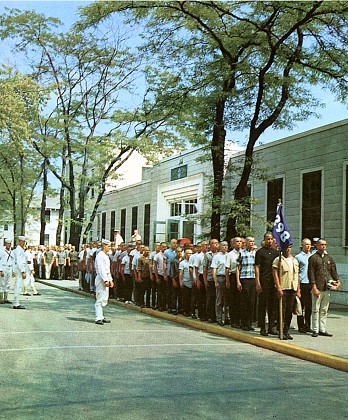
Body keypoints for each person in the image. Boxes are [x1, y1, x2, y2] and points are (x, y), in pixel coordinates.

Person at [308, 239, 340, 337]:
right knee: (315, 309)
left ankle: (322, 329)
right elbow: (311, 273)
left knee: (324, 309)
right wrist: (314, 287)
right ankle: (315, 329)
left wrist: (337, 281)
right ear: (317, 246)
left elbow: (333, 271)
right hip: (317, 287)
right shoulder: (313, 258)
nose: (323, 247)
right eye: (321, 245)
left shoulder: (328, 258)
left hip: (327, 287)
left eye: (325, 245)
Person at [273, 244, 301, 340]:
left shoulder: (294, 260)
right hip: (283, 287)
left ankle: (286, 331)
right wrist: (278, 288)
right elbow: (275, 274)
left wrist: (298, 289)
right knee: (282, 311)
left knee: (289, 311)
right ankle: (280, 330)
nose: (288, 249)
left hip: (292, 288)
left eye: (289, 247)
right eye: (286, 247)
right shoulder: (278, 260)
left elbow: (297, 276)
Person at [255, 233, 279, 336]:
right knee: (262, 305)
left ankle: (271, 327)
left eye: (271, 239)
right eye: (267, 239)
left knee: (272, 306)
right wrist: (257, 283)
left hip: (273, 282)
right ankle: (262, 327)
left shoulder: (276, 253)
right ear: (264, 240)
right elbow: (257, 267)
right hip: (263, 281)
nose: (269, 241)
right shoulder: (260, 252)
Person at [236, 236, 256, 331]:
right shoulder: (241, 253)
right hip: (244, 278)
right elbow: (237, 267)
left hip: (253, 278)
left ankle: (249, 323)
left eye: (253, 241)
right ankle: (243, 323)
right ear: (246, 243)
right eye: (250, 241)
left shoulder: (255, 253)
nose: (251, 243)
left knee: (251, 302)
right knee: (244, 301)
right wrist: (238, 281)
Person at [94, 239, 114, 325]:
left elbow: (107, 270)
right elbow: (101, 269)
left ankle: (101, 316)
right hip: (101, 278)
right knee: (100, 298)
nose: (109, 248)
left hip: (106, 277)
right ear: (104, 246)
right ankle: (98, 317)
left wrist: (110, 279)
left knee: (104, 298)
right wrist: (105, 280)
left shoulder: (105, 256)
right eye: (108, 246)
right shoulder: (100, 255)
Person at [295, 238, 313, 333]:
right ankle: (301, 326)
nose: (308, 246)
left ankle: (307, 325)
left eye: (309, 244)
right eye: (306, 244)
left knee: (309, 307)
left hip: (310, 283)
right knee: (300, 307)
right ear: (302, 245)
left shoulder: (312, 256)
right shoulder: (298, 257)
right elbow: (296, 272)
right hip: (302, 283)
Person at [225, 237, 242, 328]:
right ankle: (233, 320)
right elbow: (227, 269)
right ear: (233, 244)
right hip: (233, 276)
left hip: (241, 276)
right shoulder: (230, 255)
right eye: (237, 242)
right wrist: (227, 281)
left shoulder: (243, 253)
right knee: (233, 300)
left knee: (240, 300)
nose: (239, 243)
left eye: (240, 242)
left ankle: (239, 320)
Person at [211, 241, 228, 326]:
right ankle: (219, 318)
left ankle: (227, 318)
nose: (225, 247)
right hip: (220, 277)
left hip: (228, 278)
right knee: (219, 300)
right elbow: (214, 269)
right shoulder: (216, 256)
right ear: (220, 247)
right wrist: (216, 281)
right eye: (223, 245)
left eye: (226, 245)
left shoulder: (229, 255)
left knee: (227, 300)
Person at [203, 239, 219, 323]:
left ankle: (218, 316)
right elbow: (205, 268)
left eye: (216, 243)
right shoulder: (207, 255)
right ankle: (210, 316)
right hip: (210, 279)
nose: (214, 245)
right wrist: (205, 281)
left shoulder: (221, 254)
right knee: (211, 298)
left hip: (219, 279)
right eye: (212, 243)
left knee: (218, 299)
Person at [13, 236, 27, 309]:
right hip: (19, 269)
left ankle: (16, 302)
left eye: (24, 241)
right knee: (18, 285)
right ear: (19, 241)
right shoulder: (19, 250)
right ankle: (16, 303)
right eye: (22, 241)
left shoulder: (21, 250)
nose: (24, 243)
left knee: (19, 285)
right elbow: (19, 262)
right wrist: (23, 271)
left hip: (19, 269)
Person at [0, 238, 15, 304]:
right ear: (5, 244)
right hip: (4, 268)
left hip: (10, 268)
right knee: (2, 283)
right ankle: (1, 298)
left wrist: (13, 271)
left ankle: (6, 298)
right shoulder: (2, 251)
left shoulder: (12, 252)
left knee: (8, 283)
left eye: (10, 244)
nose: (9, 245)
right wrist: (0, 270)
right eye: (8, 244)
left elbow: (13, 261)